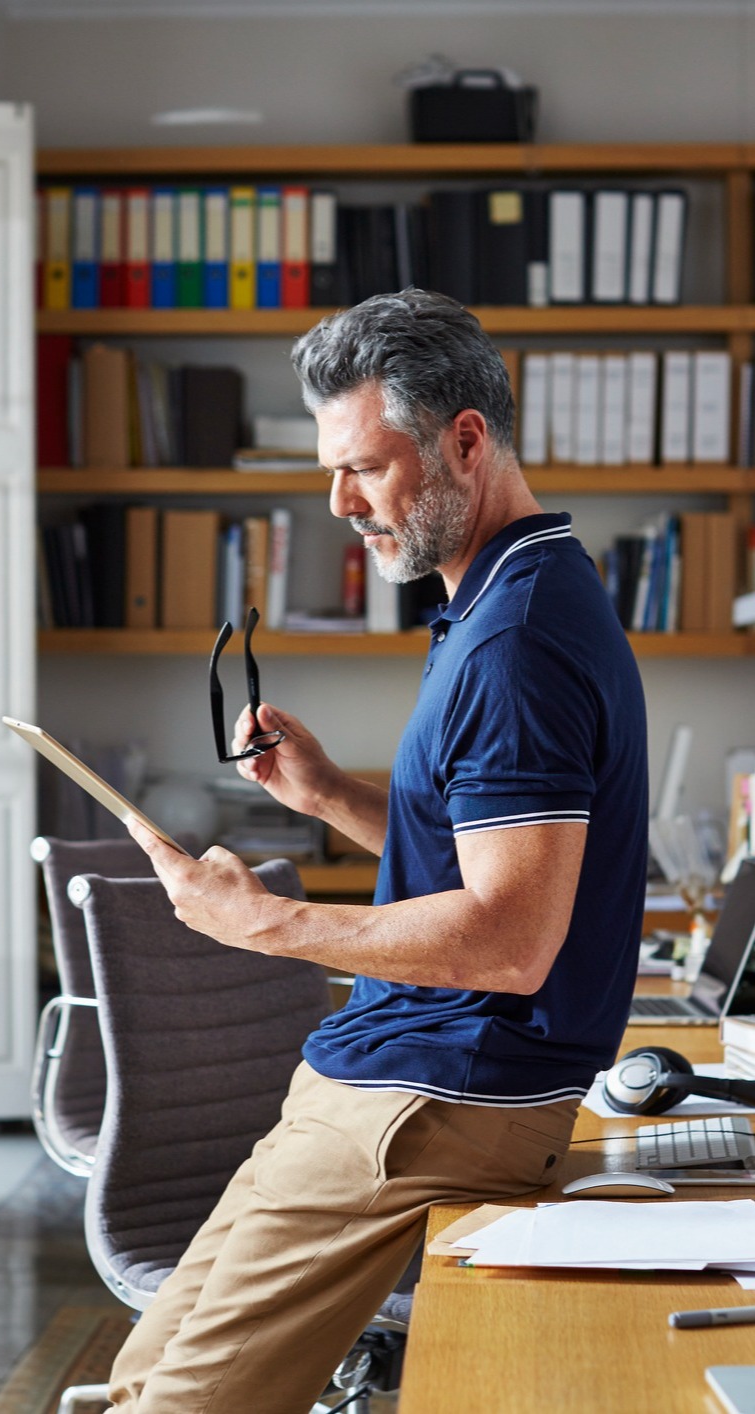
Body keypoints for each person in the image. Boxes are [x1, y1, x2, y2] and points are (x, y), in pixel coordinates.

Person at [107, 289, 649, 1414]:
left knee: (180, 1406)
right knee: (139, 1376)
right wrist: (329, 795)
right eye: (328, 469)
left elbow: (506, 940)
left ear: (464, 439)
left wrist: (262, 922)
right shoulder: (500, 593)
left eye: (364, 467)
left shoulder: (516, 643)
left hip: (437, 1091)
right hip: (387, 1071)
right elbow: (480, 856)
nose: (340, 504)